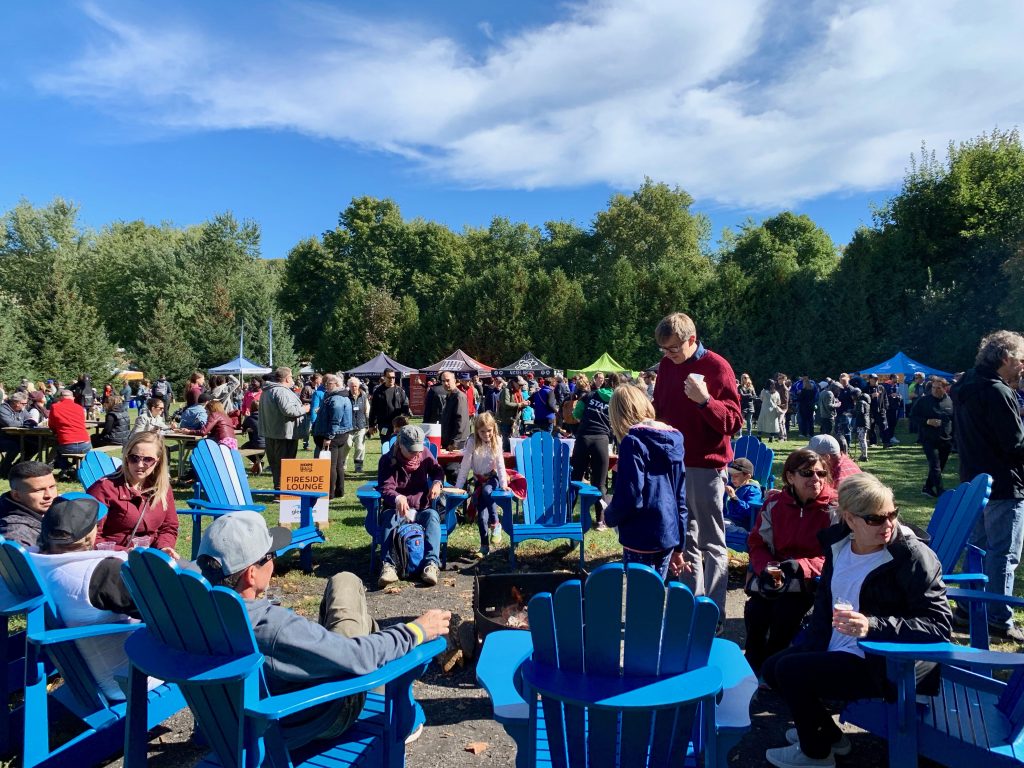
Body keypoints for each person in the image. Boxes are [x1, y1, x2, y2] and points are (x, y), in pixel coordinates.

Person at [195, 511, 450, 746]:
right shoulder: (272, 627)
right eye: (270, 555)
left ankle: (370, 634)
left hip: (238, 720)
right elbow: (358, 657)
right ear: (251, 575)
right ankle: (397, 707)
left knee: (357, 611)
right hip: (314, 715)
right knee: (346, 582)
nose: (274, 561)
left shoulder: (192, 610)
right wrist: (415, 630)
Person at [762, 473, 951, 768]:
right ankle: (830, 736)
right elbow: (825, 601)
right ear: (849, 519)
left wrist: (873, 625)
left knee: (790, 671)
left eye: (892, 514)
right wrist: (813, 643)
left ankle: (816, 754)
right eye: (875, 519)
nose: (888, 525)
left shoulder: (911, 557)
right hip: (839, 644)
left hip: (887, 662)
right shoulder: (839, 546)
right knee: (772, 668)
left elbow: (939, 625)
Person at [652, 312, 742, 619]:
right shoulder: (666, 367)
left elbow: (733, 422)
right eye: (664, 350)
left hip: (707, 466)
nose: (668, 356)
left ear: (692, 340)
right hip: (674, 465)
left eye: (674, 349)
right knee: (685, 538)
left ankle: (713, 613)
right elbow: (661, 410)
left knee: (711, 540)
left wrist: (705, 401)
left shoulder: (717, 367)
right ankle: (691, 607)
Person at [32, 495, 156, 702]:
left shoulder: (31, 562)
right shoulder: (101, 573)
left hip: (81, 669)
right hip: (124, 677)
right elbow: (162, 611)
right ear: (90, 535)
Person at [951, 330, 1024, 642]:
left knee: (979, 551)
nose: (1023, 366)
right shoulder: (997, 391)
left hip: (974, 482)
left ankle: (969, 609)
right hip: (1004, 484)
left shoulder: (965, 384)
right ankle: (998, 617)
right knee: (1003, 554)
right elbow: (1015, 445)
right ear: (1005, 358)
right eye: (1021, 359)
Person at [745, 449, 837, 676]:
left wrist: (803, 566)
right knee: (756, 609)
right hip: (777, 572)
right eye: (807, 473)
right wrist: (766, 568)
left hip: (814, 580)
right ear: (790, 477)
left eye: (821, 473)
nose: (816, 479)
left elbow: (840, 554)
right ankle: (753, 665)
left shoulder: (834, 508)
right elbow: (757, 544)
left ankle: (774, 668)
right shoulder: (775, 504)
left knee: (786, 611)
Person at [605, 385, 687, 580]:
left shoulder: (632, 442)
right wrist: (679, 546)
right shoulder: (675, 440)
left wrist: (609, 516)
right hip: (668, 532)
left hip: (640, 534)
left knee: (639, 597)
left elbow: (631, 495)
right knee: (655, 596)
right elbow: (680, 497)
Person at [87, 432, 181, 557]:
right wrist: (124, 552)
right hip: (112, 560)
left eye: (148, 459)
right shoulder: (104, 489)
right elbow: (89, 538)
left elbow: (169, 527)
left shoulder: (162, 487)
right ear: (126, 457)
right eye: (134, 458)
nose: (140, 465)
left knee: (194, 572)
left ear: (158, 461)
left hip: (153, 557)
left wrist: (164, 547)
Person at [376, 425, 445, 588]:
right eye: (412, 450)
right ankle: (389, 566)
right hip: (397, 510)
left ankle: (431, 565)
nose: (416, 454)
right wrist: (397, 497)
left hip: (421, 509)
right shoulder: (387, 460)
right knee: (388, 518)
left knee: (433, 517)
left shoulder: (424, 455)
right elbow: (385, 488)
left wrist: (437, 483)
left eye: (418, 450)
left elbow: (438, 470)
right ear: (400, 445)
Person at [454, 412, 508, 558]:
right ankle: (484, 546)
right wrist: (459, 486)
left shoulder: (496, 440)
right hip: (479, 480)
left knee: (487, 490)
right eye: (482, 431)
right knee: (482, 517)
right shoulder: (472, 442)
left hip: (492, 479)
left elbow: (501, 464)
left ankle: (496, 524)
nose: (486, 434)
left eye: (489, 430)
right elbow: (465, 465)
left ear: (494, 429)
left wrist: (503, 483)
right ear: (477, 431)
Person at [570, 372, 617, 529]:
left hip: (583, 438)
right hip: (601, 440)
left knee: (575, 479)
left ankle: (567, 515)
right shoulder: (616, 400)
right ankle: (600, 521)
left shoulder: (590, 395)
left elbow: (576, 414)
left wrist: (584, 420)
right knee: (600, 483)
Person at [259, 367, 310, 489]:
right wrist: (305, 409)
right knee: (285, 464)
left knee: (276, 464)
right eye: (291, 376)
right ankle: (283, 491)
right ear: (287, 378)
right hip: (284, 434)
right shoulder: (281, 391)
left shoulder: (267, 391)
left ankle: (279, 489)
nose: (292, 379)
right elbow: (289, 410)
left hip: (272, 432)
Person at [910, 376, 954, 498]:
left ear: (945, 388)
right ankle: (941, 491)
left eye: (938, 388)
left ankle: (927, 487)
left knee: (941, 466)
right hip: (929, 439)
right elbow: (913, 416)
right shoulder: (923, 401)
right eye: (933, 387)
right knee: (935, 465)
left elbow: (953, 419)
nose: (935, 390)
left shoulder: (950, 401)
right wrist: (927, 421)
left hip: (946, 439)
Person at [311, 374, 353, 499]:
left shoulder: (337, 398)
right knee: (338, 464)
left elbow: (336, 419)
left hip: (334, 436)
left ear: (337, 385)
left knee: (331, 465)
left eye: (328, 384)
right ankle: (339, 491)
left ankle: (330, 493)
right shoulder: (339, 396)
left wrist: (329, 437)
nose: (325, 386)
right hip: (340, 434)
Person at [0, 460, 58, 546]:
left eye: (52, 487)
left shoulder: (56, 509)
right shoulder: (17, 533)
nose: (49, 495)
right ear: (16, 495)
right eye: (38, 490)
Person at [368, 369, 411, 444]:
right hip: (384, 424)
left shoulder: (400, 391)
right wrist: (372, 425)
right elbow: (373, 409)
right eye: (389, 377)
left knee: (400, 446)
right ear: (384, 377)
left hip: (399, 425)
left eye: (393, 377)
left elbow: (405, 406)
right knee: (386, 445)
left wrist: (405, 418)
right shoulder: (378, 392)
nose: (392, 379)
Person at [723, 457, 763, 531]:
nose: (732, 478)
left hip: (741, 524)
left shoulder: (753, 490)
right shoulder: (731, 486)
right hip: (725, 519)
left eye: (736, 476)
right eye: (731, 475)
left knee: (721, 526)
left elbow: (750, 512)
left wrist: (734, 498)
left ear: (747, 476)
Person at [0, 391, 31, 476]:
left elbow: (30, 420)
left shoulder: (22, 410)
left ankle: (16, 468)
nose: (26, 405)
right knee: (14, 446)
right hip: (3, 438)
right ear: (16, 403)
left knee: (34, 445)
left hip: (16, 437)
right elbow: (10, 424)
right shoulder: (2, 409)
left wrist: (28, 422)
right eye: (24, 403)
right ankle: (4, 470)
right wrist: (25, 424)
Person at [439, 371, 469, 450]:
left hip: (457, 444)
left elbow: (461, 421)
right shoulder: (449, 396)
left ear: (454, 381)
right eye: (443, 381)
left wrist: (454, 442)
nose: (445, 383)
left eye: (448, 380)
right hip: (448, 442)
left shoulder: (459, 397)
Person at [345, 377, 369, 473]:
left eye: (355, 386)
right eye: (352, 386)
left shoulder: (363, 396)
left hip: (360, 425)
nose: (354, 388)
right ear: (349, 386)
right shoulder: (345, 396)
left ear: (358, 386)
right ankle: (343, 465)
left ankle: (358, 466)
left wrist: (368, 423)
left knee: (360, 447)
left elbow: (367, 410)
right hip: (348, 426)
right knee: (347, 445)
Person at [496, 376, 528, 450]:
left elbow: (519, 404)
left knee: (514, 443)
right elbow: (505, 404)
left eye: (522, 385)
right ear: (514, 383)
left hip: (515, 420)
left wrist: (524, 404)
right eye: (520, 384)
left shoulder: (519, 392)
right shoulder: (506, 391)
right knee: (507, 442)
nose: (521, 386)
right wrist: (519, 404)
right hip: (506, 420)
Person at [240, 399, 265, 474]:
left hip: (256, 443)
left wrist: (246, 428)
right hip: (268, 442)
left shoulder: (250, 418)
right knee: (259, 448)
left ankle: (257, 461)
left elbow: (243, 428)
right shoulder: (266, 417)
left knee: (243, 447)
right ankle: (258, 462)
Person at [851, 387, 871, 462]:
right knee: (862, 439)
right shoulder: (864, 401)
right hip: (864, 422)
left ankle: (864, 455)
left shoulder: (860, 402)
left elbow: (860, 412)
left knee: (862, 440)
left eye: (853, 395)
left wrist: (852, 412)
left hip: (862, 423)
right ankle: (863, 454)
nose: (852, 397)